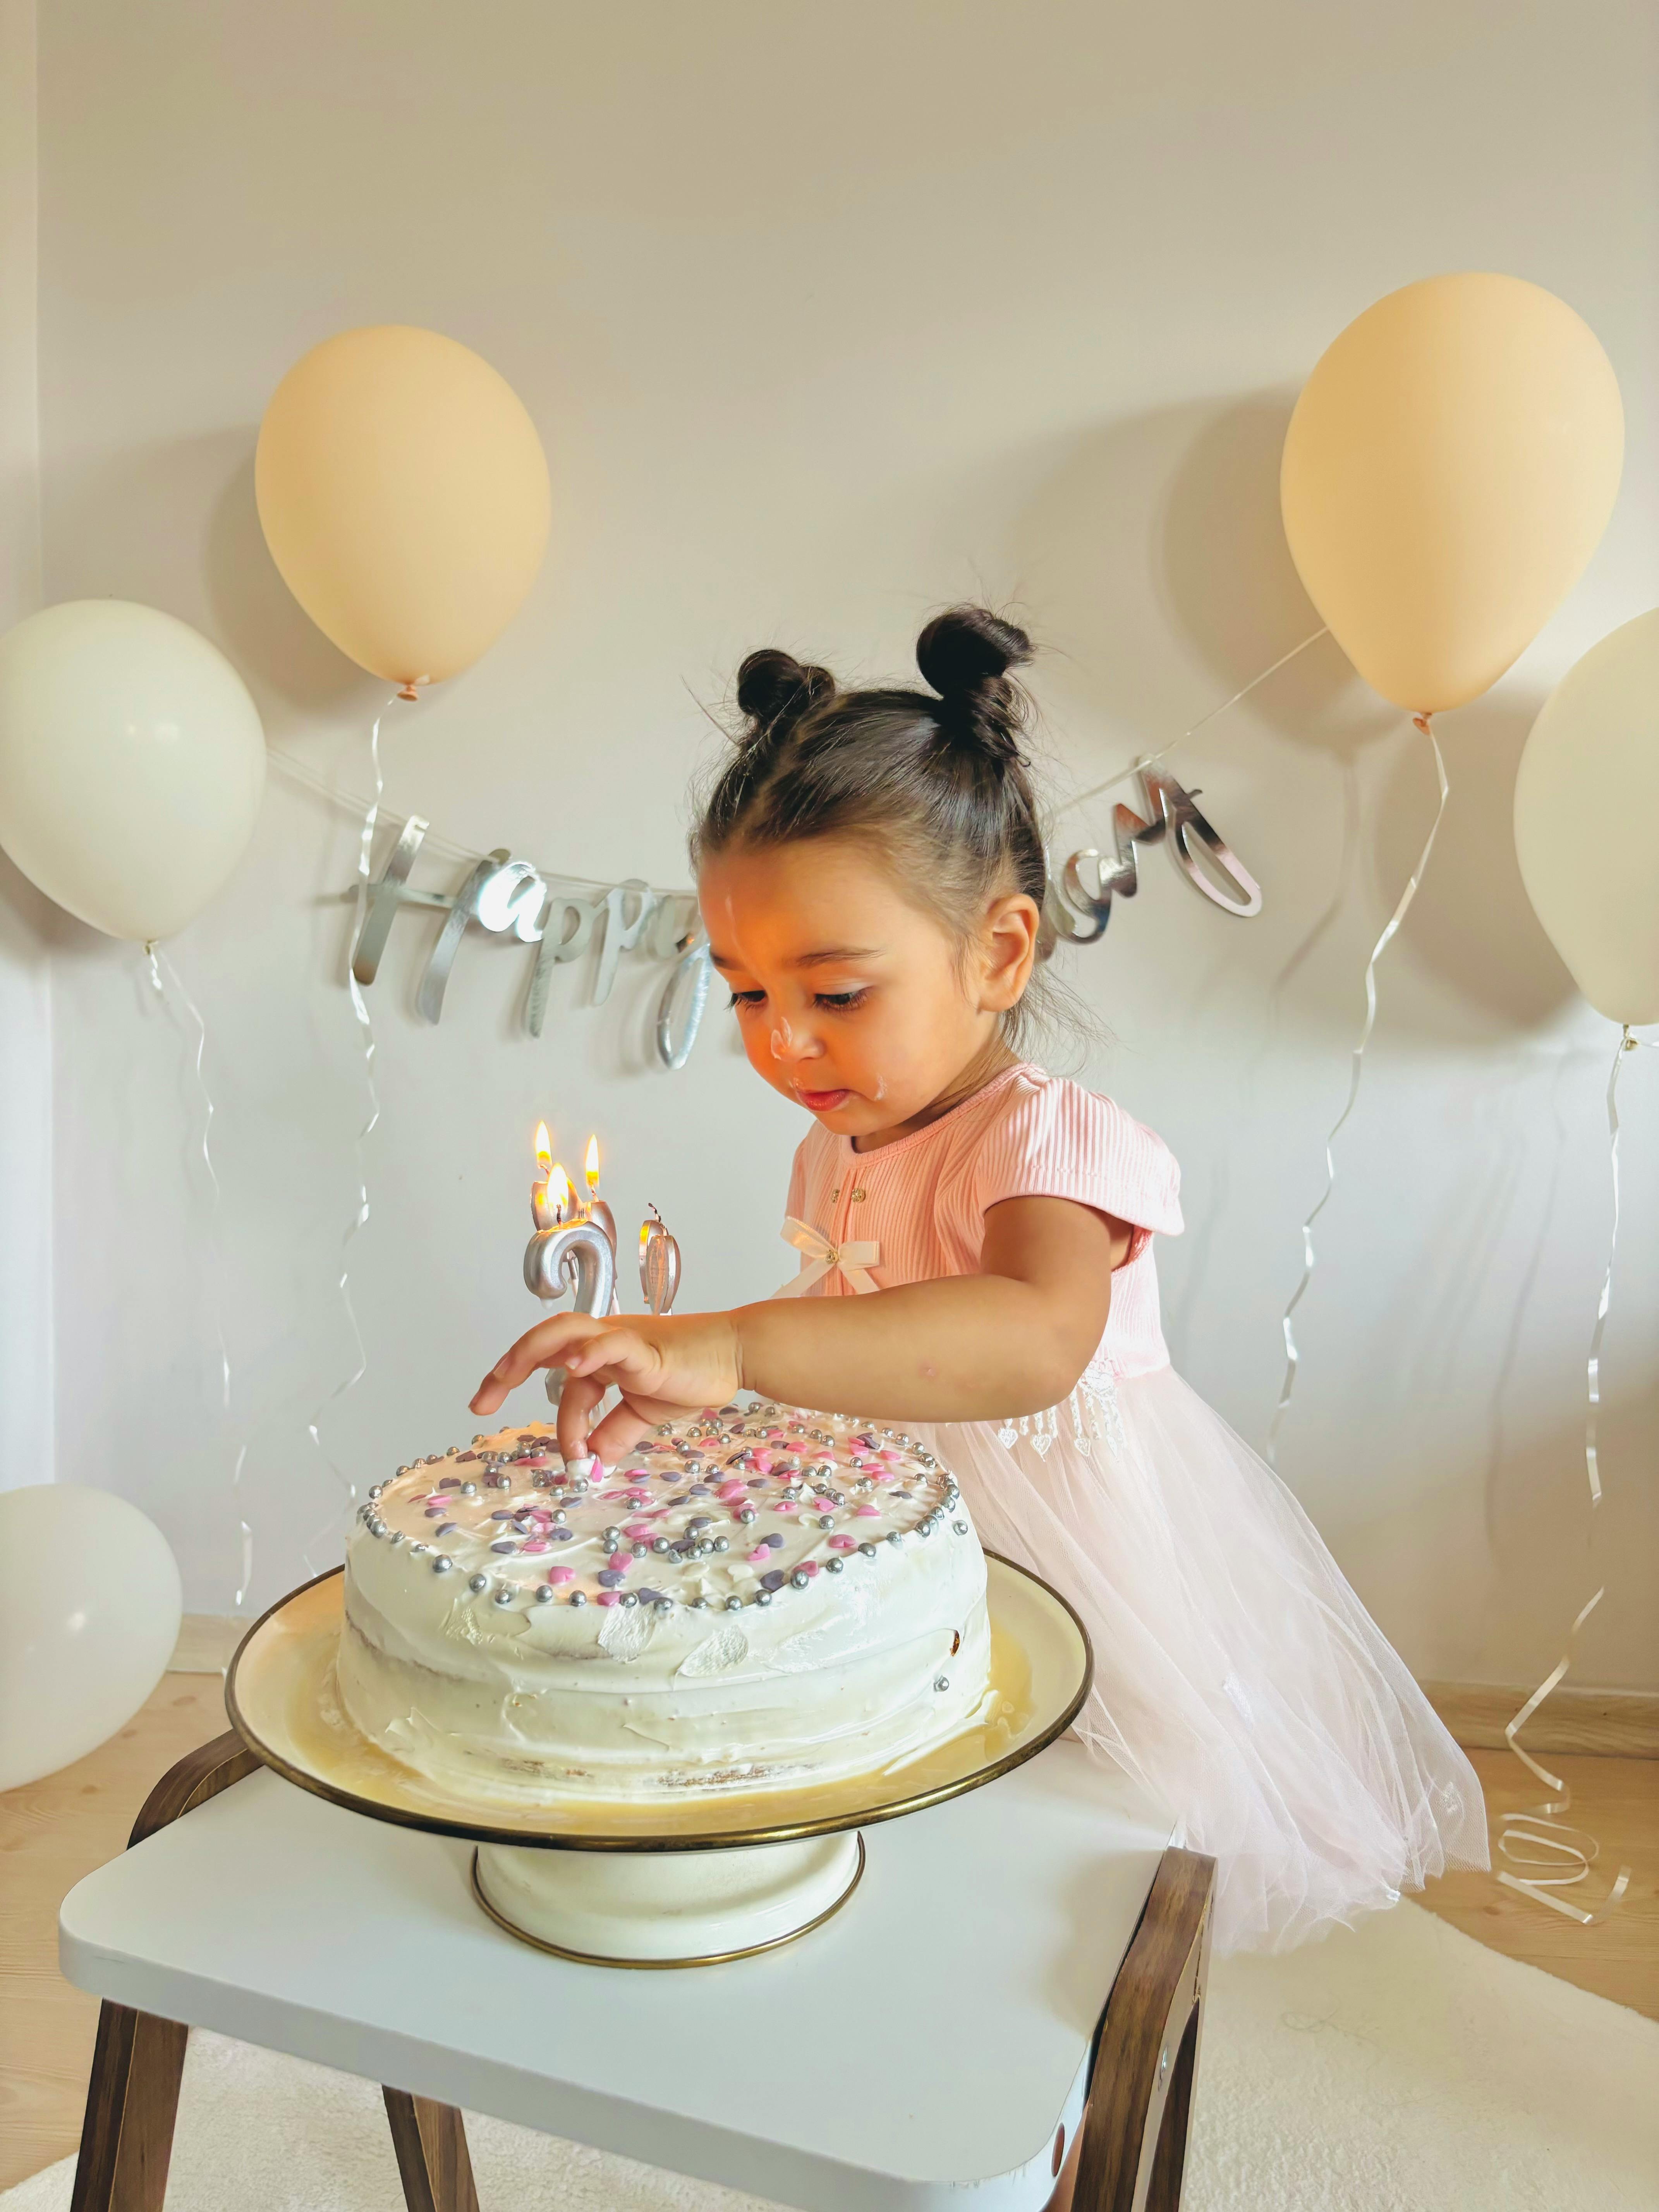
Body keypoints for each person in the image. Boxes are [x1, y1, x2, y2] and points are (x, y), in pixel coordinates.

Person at [471, 605, 1487, 1953]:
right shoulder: (829, 1144)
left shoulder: (1042, 1144)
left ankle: (1062, 2084)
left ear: (998, 953)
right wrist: (713, 1392)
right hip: (899, 1523)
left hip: (1067, 1550)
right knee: (907, 1815)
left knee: (1075, 1833)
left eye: (833, 994)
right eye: (745, 993)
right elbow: (864, 1345)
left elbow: (1028, 1338)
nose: (781, 1043)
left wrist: (731, 1343)